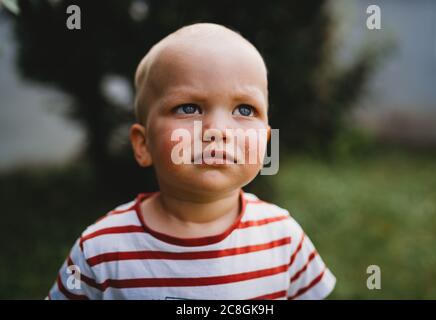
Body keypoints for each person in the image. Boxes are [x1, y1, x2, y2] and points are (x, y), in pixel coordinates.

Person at [47, 23, 336, 300]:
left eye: (245, 109)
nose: (218, 130)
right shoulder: (102, 250)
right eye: (188, 107)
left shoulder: (283, 238)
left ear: (266, 143)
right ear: (143, 144)